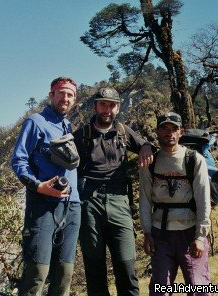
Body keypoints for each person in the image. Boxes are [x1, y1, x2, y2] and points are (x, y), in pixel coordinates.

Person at [72, 87, 153, 296]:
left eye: (111, 105)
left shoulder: (124, 131)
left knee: (126, 265)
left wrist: (146, 146)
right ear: (96, 106)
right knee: (94, 267)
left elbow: (145, 144)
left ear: (117, 107)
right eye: (103, 104)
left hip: (119, 200)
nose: (107, 109)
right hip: (89, 201)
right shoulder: (81, 135)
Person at [11, 77, 81, 296]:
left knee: (64, 275)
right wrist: (39, 185)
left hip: (72, 206)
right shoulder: (35, 122)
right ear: (51, 95)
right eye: (61, 93)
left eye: (70, 95)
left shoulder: (67, 126)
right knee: (36, 274)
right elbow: (18, 160)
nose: (65, 98)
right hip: (42, 205)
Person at [139, 112, 211, 296]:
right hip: (160, 235)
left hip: (190, 232)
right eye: (164, 128)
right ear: (157, 131)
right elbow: (145, 199)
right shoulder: (150, 163)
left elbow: (203, 198)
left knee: (198, 289)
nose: (169, 133)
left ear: (181, 132)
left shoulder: (194, 160)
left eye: (174, 129)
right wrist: (147, 233)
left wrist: (200, 237)